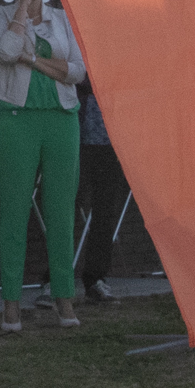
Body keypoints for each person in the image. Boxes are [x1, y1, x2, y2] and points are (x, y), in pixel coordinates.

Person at [0, 0, 85, 334]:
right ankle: (11, 303)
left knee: (61, 212)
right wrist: (20, 15)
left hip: (61, 118)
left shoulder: (62, 18)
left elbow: (76, 71)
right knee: (15, 209)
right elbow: (5, 50)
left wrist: (33, 60)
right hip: (15, 118)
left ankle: (64, 297)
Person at [73, 76, 134, 305]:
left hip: (110, 141)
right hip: (75, 137)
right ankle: (55, 279)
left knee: (105, 212)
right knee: (65, 207)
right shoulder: (73, 42)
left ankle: (96, 278)